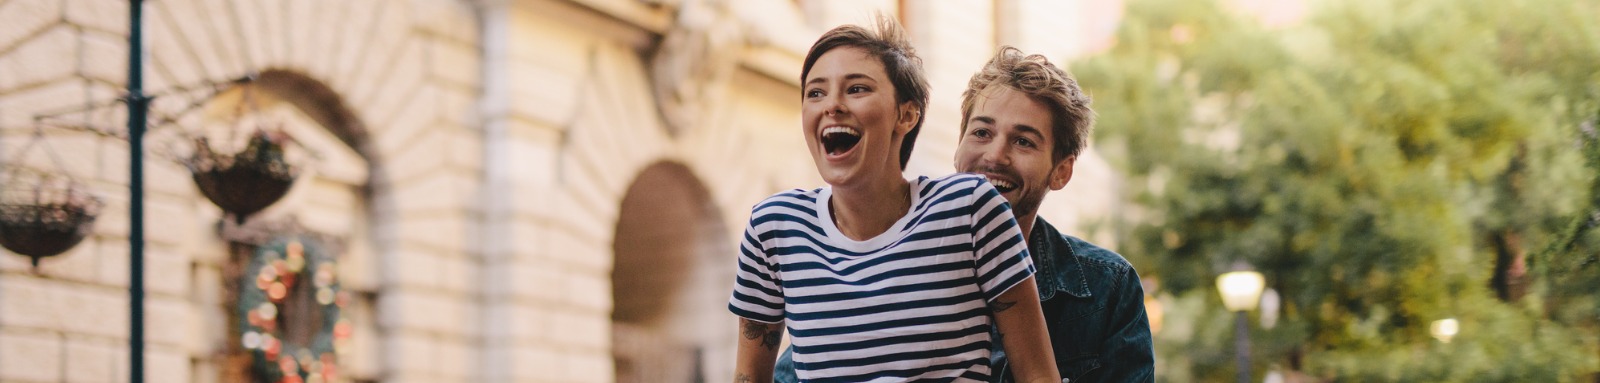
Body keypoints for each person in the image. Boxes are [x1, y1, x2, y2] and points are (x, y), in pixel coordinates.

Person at [776, 47, 1155, 382]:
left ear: (1061, 171)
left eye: (1023, 141)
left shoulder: (1107, 288)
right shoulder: (868, 273)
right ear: (958, 147)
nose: (994, 156)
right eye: (981, 133)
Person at [728, 17, 1062, 383]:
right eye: (816, 92)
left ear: (906, 114)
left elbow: (1037, 375)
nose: (832, 105)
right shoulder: (773, 227)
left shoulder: (970, 209)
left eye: (856, 89)